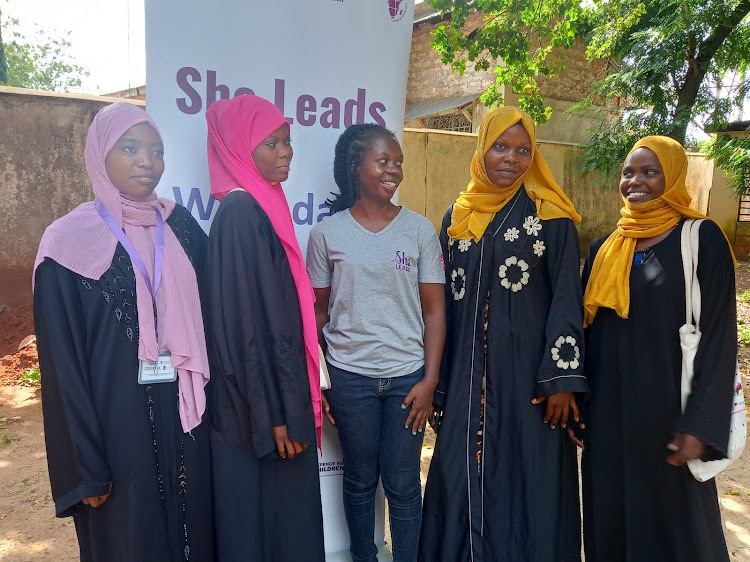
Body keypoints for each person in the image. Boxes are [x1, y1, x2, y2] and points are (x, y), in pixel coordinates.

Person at [33, 102, 213, 562]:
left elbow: (214, 321)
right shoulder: (65, 242)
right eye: (130, 148)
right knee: (129, 540)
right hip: (115, 434)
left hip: (186, 423)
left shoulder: (183, 228)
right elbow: (63, 367)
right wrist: (85, 469)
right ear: (100, 155)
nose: (146, 161)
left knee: (193, 534)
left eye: (156, 150)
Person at [419, 106, 588, 562]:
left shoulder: (551, 216)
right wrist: (440, 381)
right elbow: (443, 308)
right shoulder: (458, 216)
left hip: (526, 383)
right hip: (466, 381)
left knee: (525, 474)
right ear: (481, 150)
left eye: (522, 150)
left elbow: (567, 300)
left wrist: (560, 381)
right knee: (458, 475)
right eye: (500, 147)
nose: (511, 159)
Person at [580, 136, 736, 561]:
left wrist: (701, 425)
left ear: (673, 177)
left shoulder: (701, 238)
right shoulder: (605, 248)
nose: (636, 181)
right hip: (610, 418)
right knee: (610, 519)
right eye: (629, 172)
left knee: (678, 530)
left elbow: (720, 337)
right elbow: (588, 335)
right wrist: (581, 406)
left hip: (670, 417)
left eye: (650, 172)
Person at [306, 123, 446, 562]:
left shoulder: (419, 230)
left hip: (408, 381)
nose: (394, 170)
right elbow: (318, 314)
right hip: (350, 381)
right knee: (361, 479)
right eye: (383, 161)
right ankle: (363, 557)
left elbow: (435, 311)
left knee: (404, 483)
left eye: (399, 162)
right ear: (355, 166)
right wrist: (323, 382)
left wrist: (430, 380)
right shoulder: (327, 235)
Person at [203, 94, 325, 562]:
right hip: (263, 415)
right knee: (269, 530)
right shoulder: (240, 214)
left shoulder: (263, 206)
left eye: (287, 141)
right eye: (271, 143)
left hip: (273, 403)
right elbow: (241, 328)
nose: (286, 152)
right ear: (237, 148)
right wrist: (275, 415)